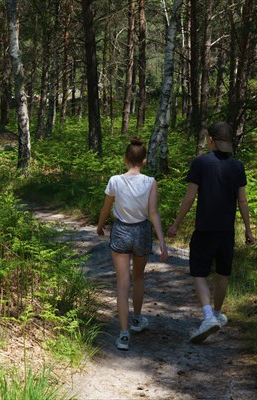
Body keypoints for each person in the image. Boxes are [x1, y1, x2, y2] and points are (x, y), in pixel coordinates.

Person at [167, 121, 255, 344]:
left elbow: (189, 197)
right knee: (223, 273)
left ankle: (208, 316)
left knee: (199, 272)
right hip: (227, 230)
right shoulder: (238, 167)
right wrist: (248, 230)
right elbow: (242, 201)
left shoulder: (200, 163)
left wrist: (176, 224)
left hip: (205, 228)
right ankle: (216, 315)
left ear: (211, 140)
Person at [97, 137, 168, 351]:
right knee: (138, 278)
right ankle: (137, 319)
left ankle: (124, 334)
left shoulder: (115, 180)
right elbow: (153, 213)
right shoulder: (150, 182)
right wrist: (162, 241)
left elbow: (106, 208)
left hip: (120, 231)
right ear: (144, 160)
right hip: (142, 231)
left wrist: (100, 226)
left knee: (122, 283)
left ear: (125, 158)